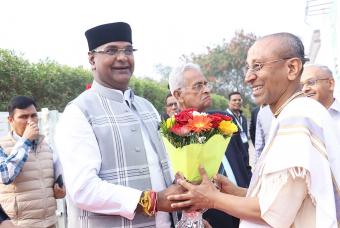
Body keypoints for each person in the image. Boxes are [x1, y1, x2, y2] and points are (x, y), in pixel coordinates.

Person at [168, 33, 340, 227]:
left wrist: (212, 199)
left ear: (291, 68)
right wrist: (237, 192)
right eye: (248, 67)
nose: (249, 77)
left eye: (257, 66)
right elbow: (287, 198)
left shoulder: (298, 118)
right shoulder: (295, 113)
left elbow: (273, 211)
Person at [54, 22, 185, 228]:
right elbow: (83, 189)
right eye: (112, 50)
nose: (122, 57)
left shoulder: (147, 107)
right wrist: (152, 201)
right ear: (92, 59)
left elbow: (166, 165)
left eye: (128, 50)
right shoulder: (78, 113)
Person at [169, 63, 251, 228]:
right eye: (198, 86)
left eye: (206, 84)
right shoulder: (170, 133)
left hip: (245, 209)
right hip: (209, 219)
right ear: (178, 95)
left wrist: (247, 194)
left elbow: (244, 164)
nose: (206, 90)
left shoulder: (224, 123)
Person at [0, 96, 66, 228]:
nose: (30, 121)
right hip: (18, 224)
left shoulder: (47, 147)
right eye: (23, 117)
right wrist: (25, 141)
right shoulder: (2, 146)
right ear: (10, 120)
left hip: (50, 222)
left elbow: (50, 183)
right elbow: (5, 176)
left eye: (33, 115)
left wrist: (59, 190)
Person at [301, 64, 340, 131]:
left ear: (330, 84)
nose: (304, 89)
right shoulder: (300, 120)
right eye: (301, 86)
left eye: (311, 82)